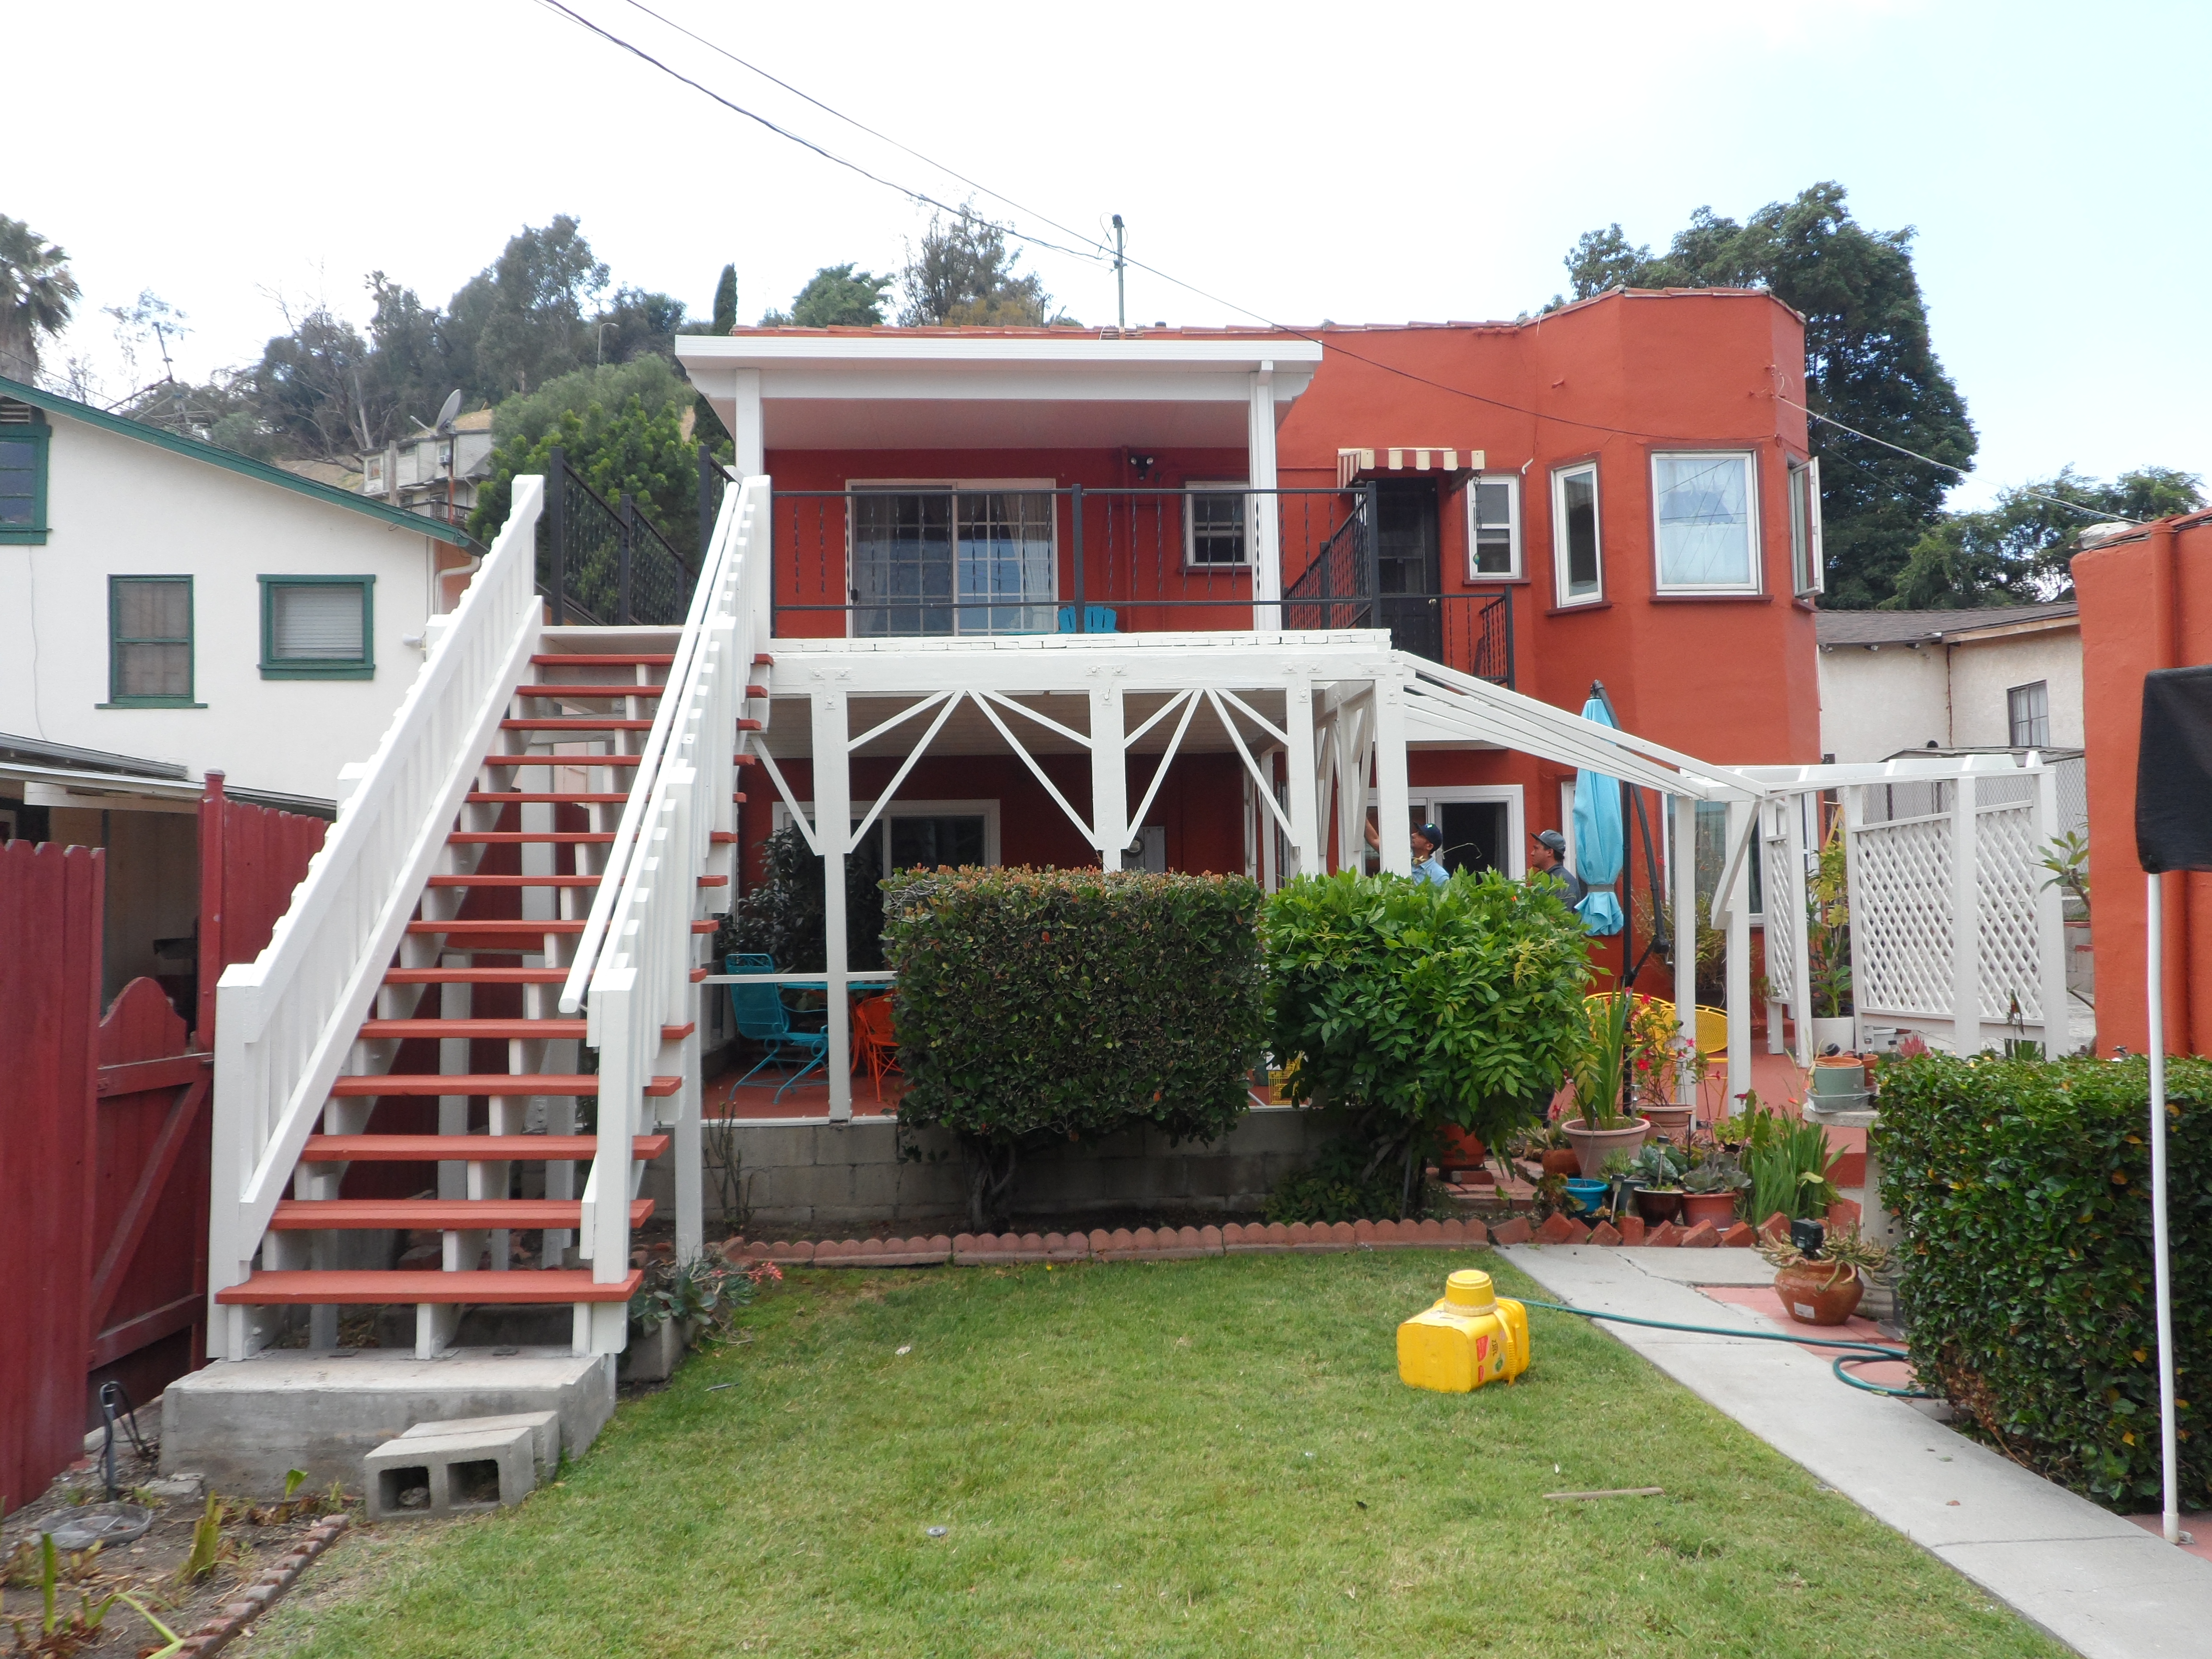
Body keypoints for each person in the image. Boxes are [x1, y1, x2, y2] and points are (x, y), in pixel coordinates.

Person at [1365, 816, 1451, 886]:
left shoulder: (1440, 876)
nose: (1413, 835)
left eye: (1420, 835)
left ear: (1429, 846)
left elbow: (1443, 904)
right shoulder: (1402, 858)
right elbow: (1374, 839)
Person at [1529, 828, 1587, 907]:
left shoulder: (1564, 881)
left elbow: (1559, 916)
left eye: (1536, 849)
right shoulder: (1540, 877)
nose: (1532, 853)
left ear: (1550, 852)